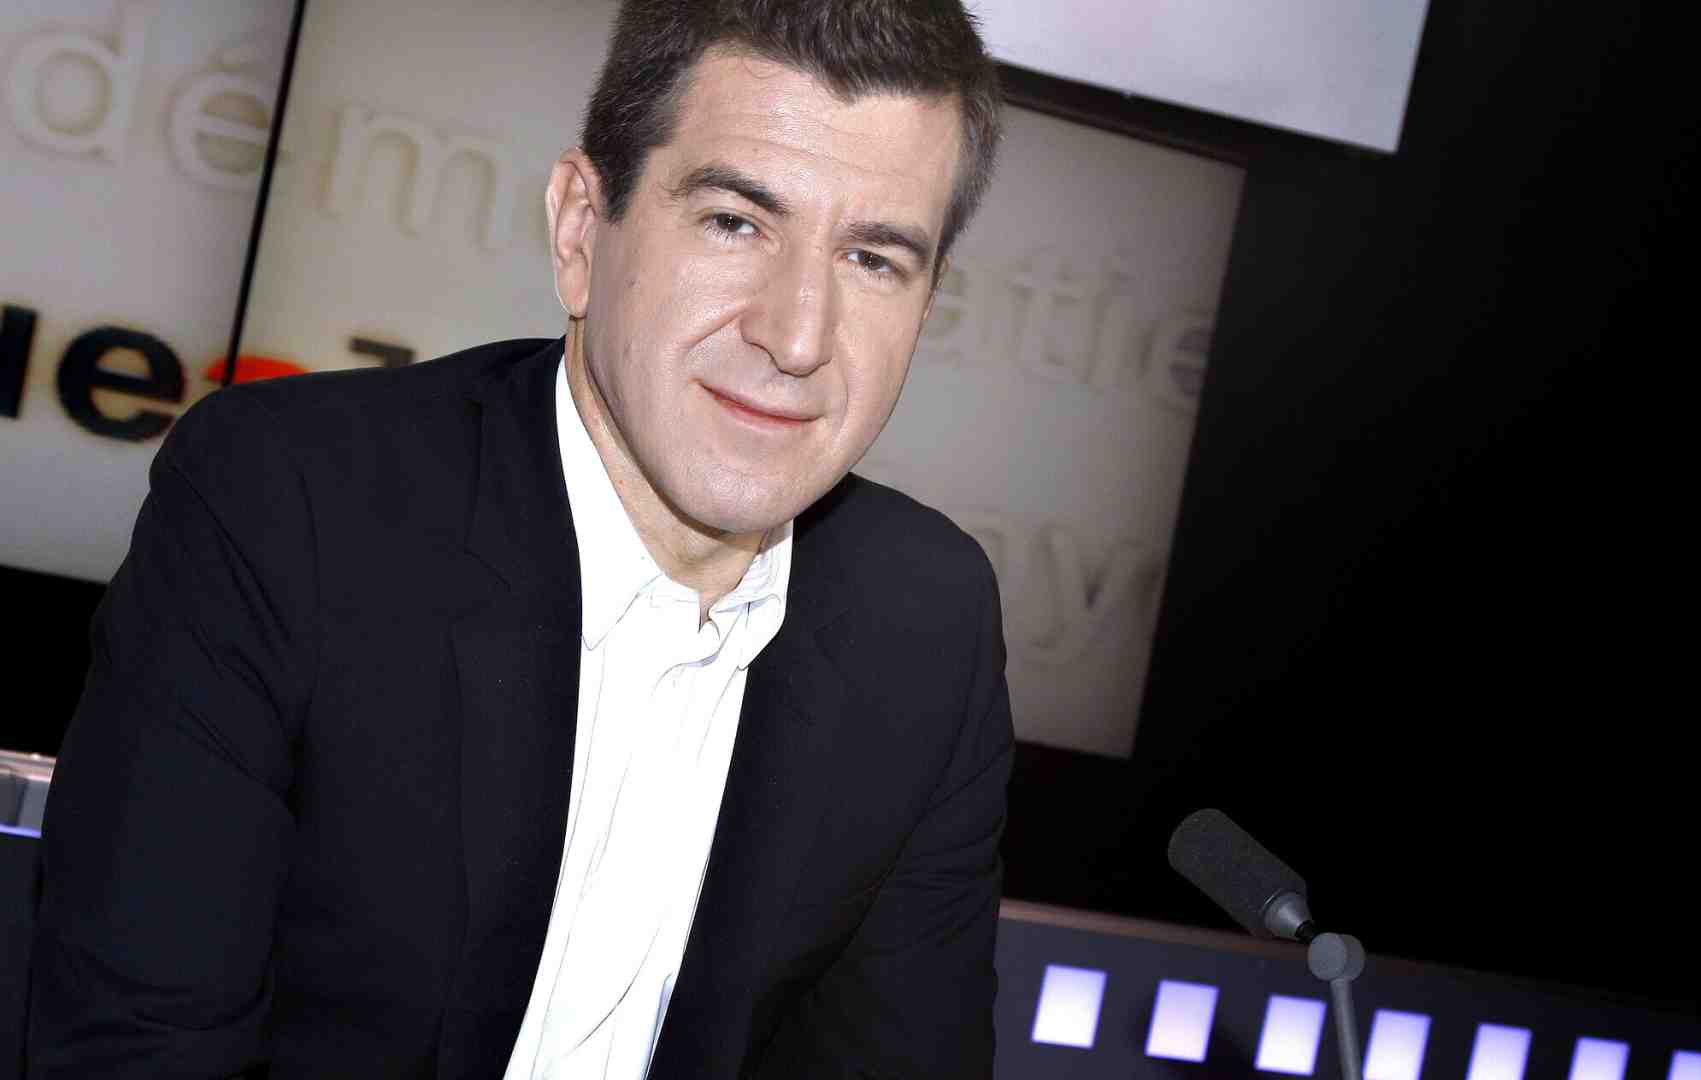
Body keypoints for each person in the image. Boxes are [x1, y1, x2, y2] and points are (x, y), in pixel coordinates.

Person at [28, 1, 1011, 1076]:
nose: (798, 335)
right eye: (735, 222)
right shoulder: (289, 503)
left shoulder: (927, 623)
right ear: (581, 232)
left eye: (873, 259)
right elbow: (136, 1052)